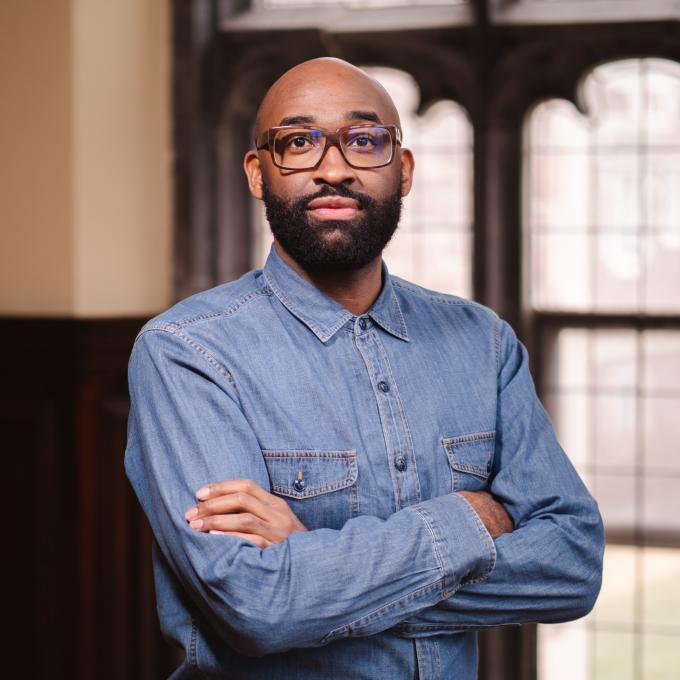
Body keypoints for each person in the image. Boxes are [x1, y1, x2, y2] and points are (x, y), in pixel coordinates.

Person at [125, 57, 604, 680]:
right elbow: (255, 605)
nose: (333, 168)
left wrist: (313, 569)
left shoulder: (482, 343)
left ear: (402, 170)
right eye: (298, 142)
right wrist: (472, 518)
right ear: (257, 173)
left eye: (364, 140)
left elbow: (572, 567)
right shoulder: (186, 351)